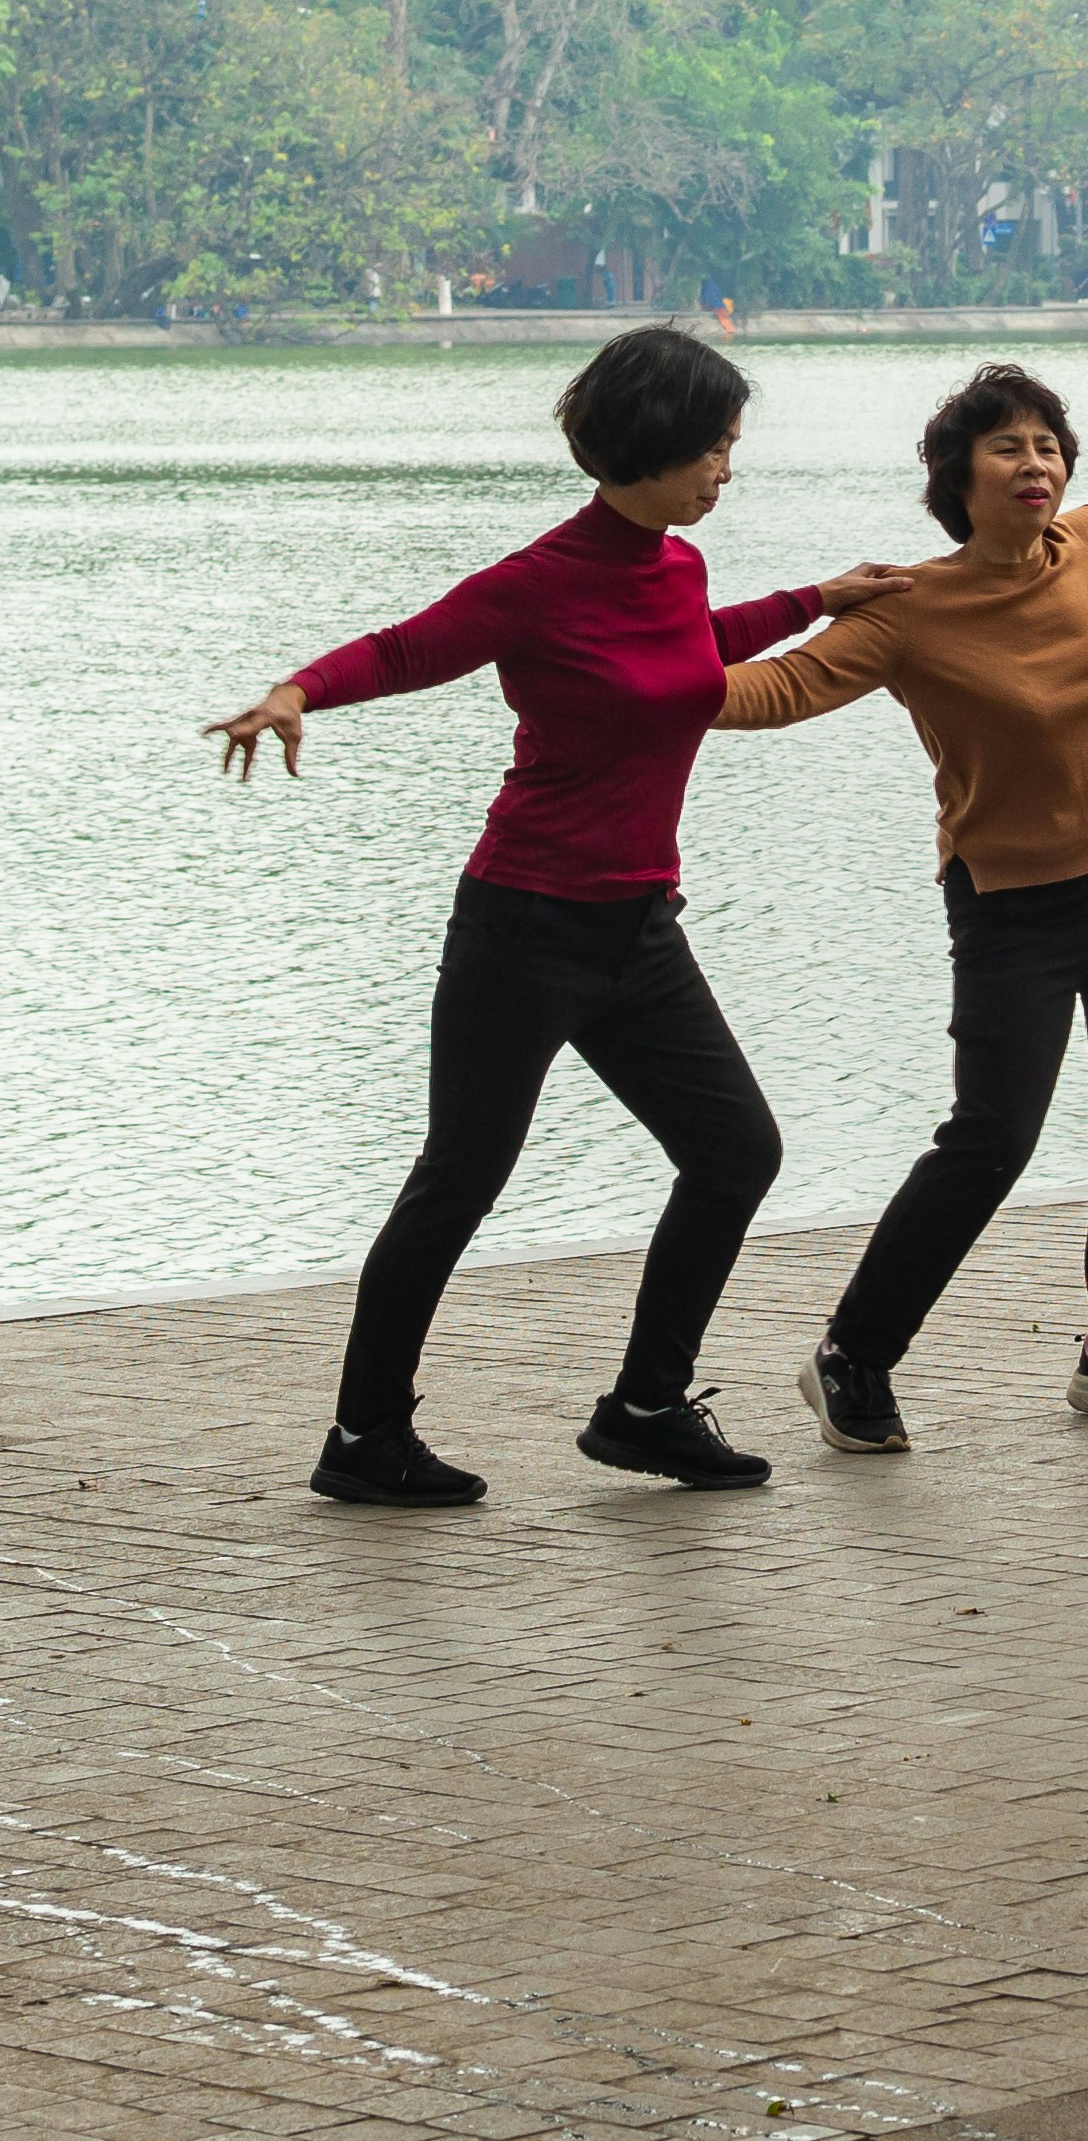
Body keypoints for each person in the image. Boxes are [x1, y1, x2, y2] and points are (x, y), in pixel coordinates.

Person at [204, 327, 916, 1508]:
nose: (726, 471)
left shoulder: (675, 570)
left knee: (737, 1151)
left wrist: (817, 601)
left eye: (732, 448)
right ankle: (364, 1438)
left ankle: (645, 1409)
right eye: (714, 450)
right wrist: (294, 692)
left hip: (638, 932)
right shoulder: (535, 584)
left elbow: (687, 649)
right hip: (522, 930)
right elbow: (404, 648)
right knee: (460, 1180)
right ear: (649, 448)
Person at [717, 342, 1088, 1454]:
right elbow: (781, 687)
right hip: (1012, 909)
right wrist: (641, 683)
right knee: (991, 1139)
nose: (1036, 464)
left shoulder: (1083, 547)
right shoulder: (908, 610)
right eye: (1008, 447)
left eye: (1048, 445)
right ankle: (853, 1352)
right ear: (958, 474)